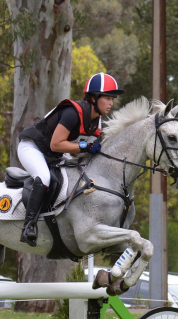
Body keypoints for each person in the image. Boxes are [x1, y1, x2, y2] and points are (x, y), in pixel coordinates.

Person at [15, 72, 124, 246]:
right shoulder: (72, 112)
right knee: (44, 177)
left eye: (112, 99)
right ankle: (29, 226)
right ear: (94, 98)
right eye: (107, 98)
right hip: (33, 147)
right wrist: (84, 147)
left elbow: (77, 152)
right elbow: (56, 145)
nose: (111, 103)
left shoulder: (97, 122)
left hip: (54, 154)